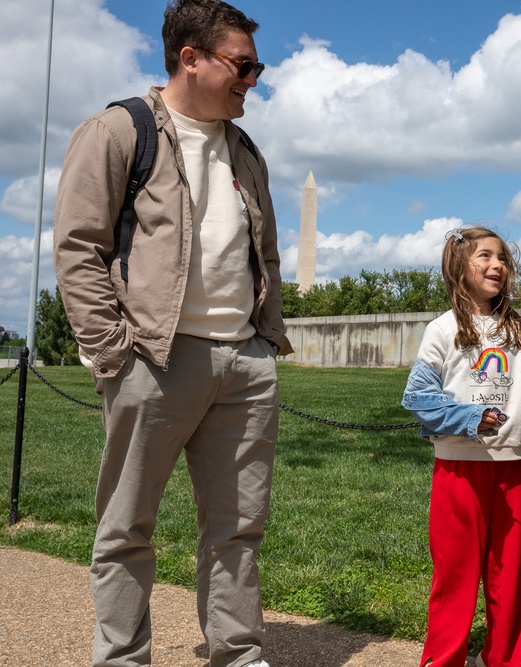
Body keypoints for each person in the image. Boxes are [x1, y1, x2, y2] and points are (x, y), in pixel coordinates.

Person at [52, 1, 290, 666]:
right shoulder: (119, 129)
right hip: (153, 359)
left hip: (243, 362)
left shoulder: (246, 151)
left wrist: (262, 343)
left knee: (238, 530)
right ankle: (124, 658)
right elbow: (78, 248)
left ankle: (238, 655)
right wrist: (112, 354)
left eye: (256, 67)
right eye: (242, 65)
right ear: (191, 58)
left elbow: (265, 253)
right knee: (127, 528)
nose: (252, 79)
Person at [402, 227, 521, 667]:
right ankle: (443, 660)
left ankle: (507, 659)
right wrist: (469, 418)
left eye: (502, 258)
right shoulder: (442, 329)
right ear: (458, 266)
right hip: (458, 470)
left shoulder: (518, 330)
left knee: (510, 576)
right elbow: (418, 396)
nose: (497, 265)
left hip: (508, 467)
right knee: (457, 577)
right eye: (485, 256)